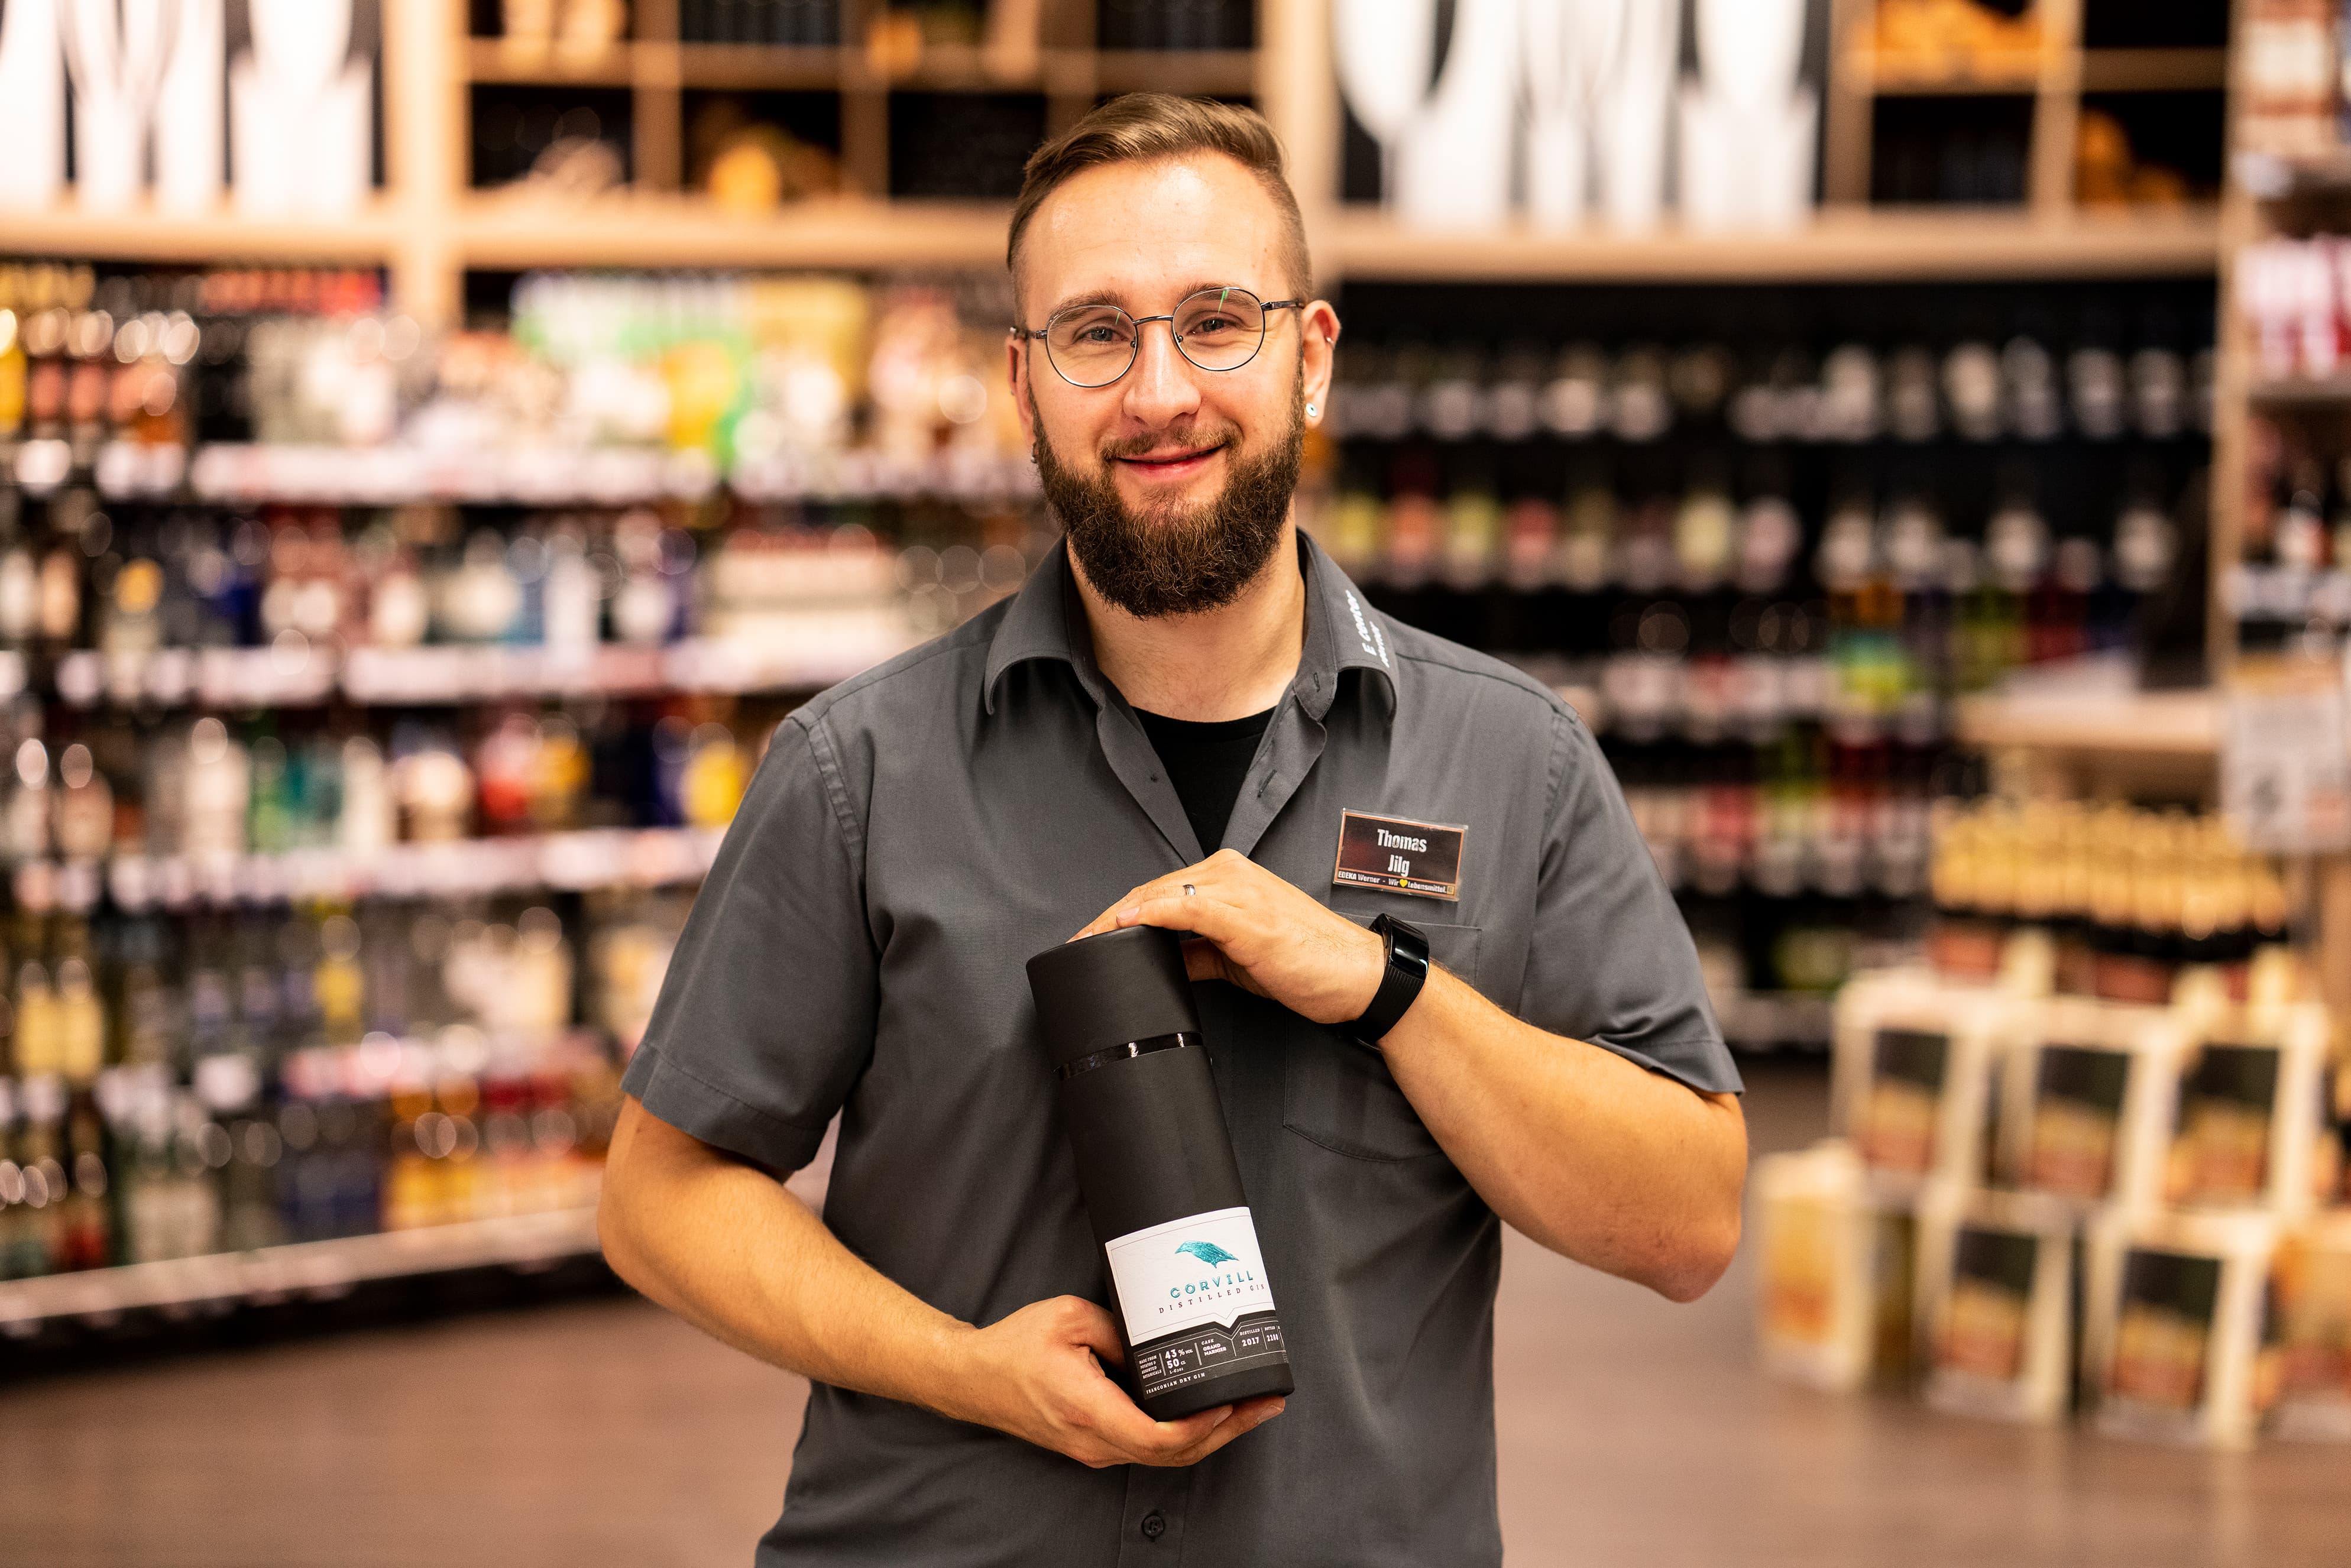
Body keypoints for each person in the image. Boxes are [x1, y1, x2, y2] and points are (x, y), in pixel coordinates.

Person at [597, 93, 1747, 1566]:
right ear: (1020, 382)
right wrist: (969, 1369)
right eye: (1094, 332)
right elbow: (658, 1193)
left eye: (1216, 320)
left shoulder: (1508, 762)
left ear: (1309, 358)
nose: (1156, 392)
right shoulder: (857, 770)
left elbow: (1685, 1225)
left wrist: (1384, 989)